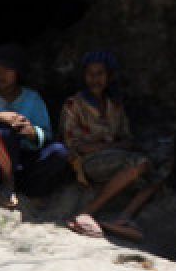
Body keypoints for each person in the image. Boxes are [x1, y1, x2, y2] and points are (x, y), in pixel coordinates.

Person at [61, 51, 159, 240]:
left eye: (100, 74)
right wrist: (110, 146)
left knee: (159, 174)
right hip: (87, 163)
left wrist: (116, 146)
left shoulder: (114, 105)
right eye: (90, 74)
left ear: (109, 77)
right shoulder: (74, 104)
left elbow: (127, 138)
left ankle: (123, 218)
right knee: (139, 163)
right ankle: (85, 213)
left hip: (116, 158)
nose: (95, 79)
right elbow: (74, 145)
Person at [0, 44, 71, 208]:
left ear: (18, 73)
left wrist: (31, 132)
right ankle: (6, 184)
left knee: (59, 152)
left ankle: (32, 190)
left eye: (7, 69)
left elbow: (46, 135)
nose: (0, 74)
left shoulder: (32, 99)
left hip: (23, 161)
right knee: (5, 132)